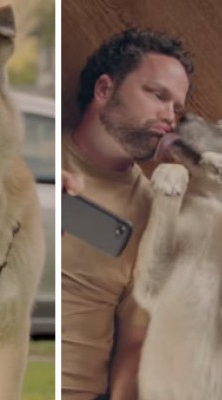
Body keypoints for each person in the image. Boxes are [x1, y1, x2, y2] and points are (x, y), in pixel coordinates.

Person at [61, 28, 194, 400]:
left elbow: (136, 346)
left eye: (178, 108)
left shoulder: (157, 217)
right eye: (157, 95)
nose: (169, 116)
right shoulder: (32, 158)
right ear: (104, 90)